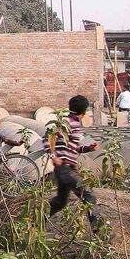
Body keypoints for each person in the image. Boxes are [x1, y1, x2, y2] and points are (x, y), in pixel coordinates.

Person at [45, 95, 101, 225]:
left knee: (60, 201)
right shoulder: (66, 123)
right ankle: (100, 231)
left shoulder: (74, 124)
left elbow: (72, 149)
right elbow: (46, 139)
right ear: (84, 112)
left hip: (69, 168)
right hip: (64, 169)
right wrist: (54, 157)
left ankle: (36, 222)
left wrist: (88, 148)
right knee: (89, 196)